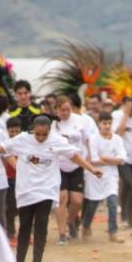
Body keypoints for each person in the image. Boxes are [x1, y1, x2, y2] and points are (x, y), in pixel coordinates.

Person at [0, 116, 102, 262]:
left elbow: (73, 155)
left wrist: (92, 169)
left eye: (44, 135)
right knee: (25, 226)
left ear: (49, 131)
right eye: (37, 134)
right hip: (26, 190)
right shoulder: (23, 139)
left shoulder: (56, 141)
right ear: (33, 129)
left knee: (41, 223)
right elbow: (5, 148)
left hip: (46, 189)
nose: (40, 138)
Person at [52, 94, 92, 244]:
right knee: (62, 199)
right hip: (59, 166)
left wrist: (89, 158)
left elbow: (87, 140)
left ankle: (69, 222)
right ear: (56, 110)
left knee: (77, 200)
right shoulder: (52, 125)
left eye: (68, 109)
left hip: (77, 164)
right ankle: (62, 234)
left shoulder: (80, 121)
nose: (66, 113)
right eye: (62, 110)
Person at [81, 112, 127, 243]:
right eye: (104, 123)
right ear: (99, 124)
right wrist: (114, 160)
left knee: (112, 203)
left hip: (111, 176)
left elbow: (122, 158)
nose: (107, 126)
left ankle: (113, 232)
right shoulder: (94, 138)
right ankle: (85, 225)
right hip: (95, 174)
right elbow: (94, 160)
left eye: (109, 123)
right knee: (92, 204)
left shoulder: (117, 139)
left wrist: (106, 158)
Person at [112, 96, 132, 228]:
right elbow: (118, 134)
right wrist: (125, 115)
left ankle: (130, 219)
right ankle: (123, 216)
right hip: (123, 158)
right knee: (127, 183)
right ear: (124, 105)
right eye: (131, 108)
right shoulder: (117, 115)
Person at [4, 117, 22, 239]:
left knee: (24, 206)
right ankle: (11, 231)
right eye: (12, 131)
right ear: (7, 131)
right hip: (9, 179)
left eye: (17, 131)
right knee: (11, 206)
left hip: (23, 180)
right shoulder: (5, 145)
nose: (14, 134)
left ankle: (27, 231)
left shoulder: (26, 144)